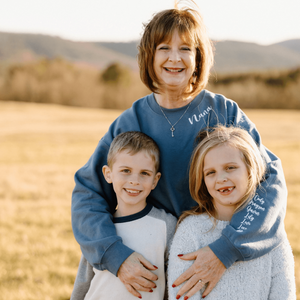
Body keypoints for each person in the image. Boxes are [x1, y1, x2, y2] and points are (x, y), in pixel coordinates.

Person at [71, 1, 287, 299]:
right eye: (164, 48)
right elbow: (87, 195)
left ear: (199, 58)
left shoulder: (224, 112)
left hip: (209, 250)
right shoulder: (129, 122)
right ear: (149, 56)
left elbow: (269, 182)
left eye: (185, 48)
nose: (175, 58)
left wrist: (226, 249)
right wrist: (115, 254)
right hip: (145, 256)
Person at [168, 126, 296, 300]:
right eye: (210, 172)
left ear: (250, 170)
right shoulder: (190, 231)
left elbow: (284, 294)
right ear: (202, 180)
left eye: (230, 168)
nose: (221, 178)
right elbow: (182, 294)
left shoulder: (271, 235)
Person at [71, 131, 177, 300]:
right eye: (126, 170)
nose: (134, 180)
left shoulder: (166, 224)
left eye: (144, 173)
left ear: (155, 180)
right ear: (108, 174)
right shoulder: (101, 228)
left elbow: (173, 282)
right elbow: (84, 280)